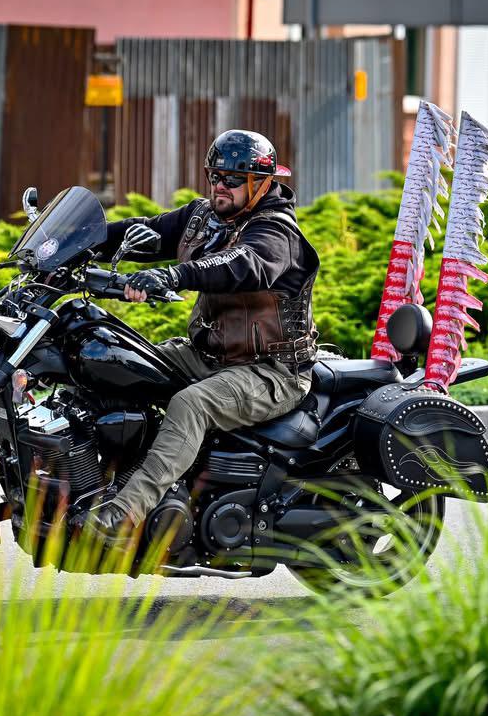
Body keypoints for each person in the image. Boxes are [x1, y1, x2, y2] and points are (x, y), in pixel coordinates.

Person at [83, 129, 320, 546]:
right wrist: (72, 243)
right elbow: (143, 231)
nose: (220, 185)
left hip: (272, 372)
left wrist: (172, 275)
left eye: (233, 178)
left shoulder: (276, 233)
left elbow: (240, 264)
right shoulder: (203, 217)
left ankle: (125, 512)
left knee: (190, 404)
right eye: (215, 175)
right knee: (115, 361)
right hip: (208, 356)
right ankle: (86, 481)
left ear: (261, 182)